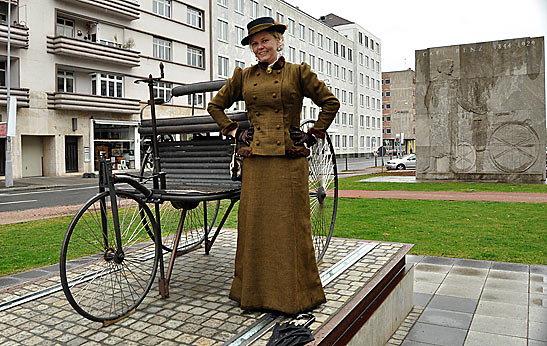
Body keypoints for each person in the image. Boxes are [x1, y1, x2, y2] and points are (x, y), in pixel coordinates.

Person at [207, 16, 340, 315]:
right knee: (254, 227)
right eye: (254, 44)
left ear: (278, 41)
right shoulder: (243, 76)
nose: (259, 47)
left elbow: (330, 103)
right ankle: (252, 295)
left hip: (290, 163)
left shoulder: (298, 73)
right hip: (255, 162)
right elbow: (215, 106)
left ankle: (296, 297)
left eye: (265, 41)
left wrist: (313, 133)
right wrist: (234, 130)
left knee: (292, 228)